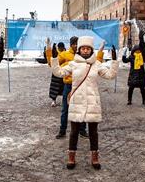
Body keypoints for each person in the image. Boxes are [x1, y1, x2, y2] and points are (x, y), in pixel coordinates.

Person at [50, 36, 119, 170]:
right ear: (79, 50)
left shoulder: (97, 64)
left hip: (92, 101)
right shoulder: (73, 64)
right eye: (83, 48)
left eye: (88, 48)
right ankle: (71, 157)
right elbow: (59, 73)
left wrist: (115, 61)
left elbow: (110, 75)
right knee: (74, 131)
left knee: (93, 132)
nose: (86, 51)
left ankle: (95, 157)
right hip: (77, 101)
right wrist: (54, 59)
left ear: (91, 50)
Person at [48, 42, 66, 107]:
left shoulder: (66, 53)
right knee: (54, 88)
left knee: (64, 88)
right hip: (55, 73)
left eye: (62, 47)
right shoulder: (55, 53)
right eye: (59, 47)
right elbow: (51, 60)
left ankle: (64, 101)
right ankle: (53, 100)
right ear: (58, 47)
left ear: (63, 47)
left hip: (64, 72)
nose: (60, 48)